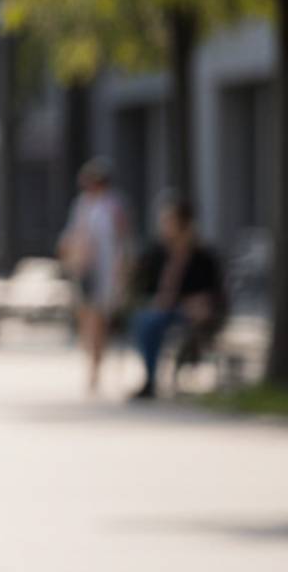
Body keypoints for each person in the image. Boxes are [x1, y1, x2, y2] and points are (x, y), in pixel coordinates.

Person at [128, 191, 227, 399]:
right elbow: (144, 285)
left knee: (163, 322)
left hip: (192, 310)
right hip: (164, 309)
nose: (164, 225)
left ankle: (182, 368)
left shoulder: (202, 255)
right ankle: (150, 379)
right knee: (147, 320)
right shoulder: (157, 253)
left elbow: (214, 290)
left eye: (169, 220)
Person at [58, 156, 131, 395]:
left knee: (99, 319)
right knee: (86, 319)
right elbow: (72, 235)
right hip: (84, 269)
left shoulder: (113, 206)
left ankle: (95, 368)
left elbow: (122, 241)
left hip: (106, 270)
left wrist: (122, 272)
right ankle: (91, 363)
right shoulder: (82, 204)